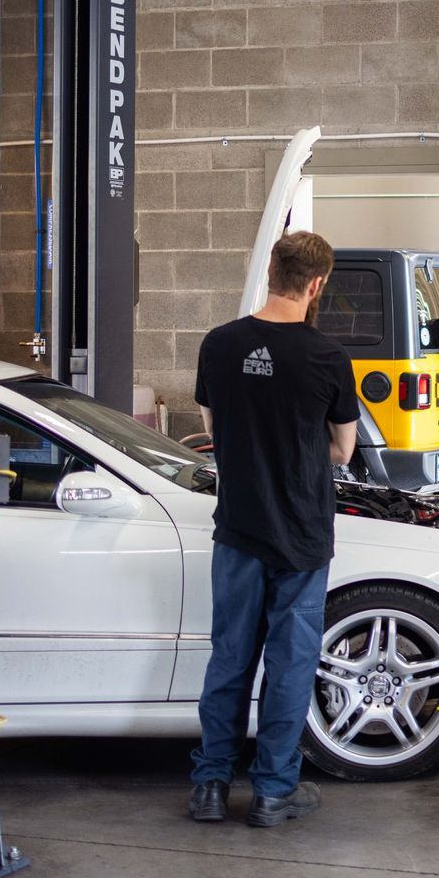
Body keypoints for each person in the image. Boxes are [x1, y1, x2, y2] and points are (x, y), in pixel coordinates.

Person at [189, 231, 359, 826]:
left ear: (270, 271)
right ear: (317, 285)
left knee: (229, 658)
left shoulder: (219, 344)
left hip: (238, 529)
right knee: (289, 664)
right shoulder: (327, 357)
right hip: (303, 535)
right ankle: (271, 792)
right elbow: (342, 449)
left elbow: (213, 428)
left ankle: (210, 786)